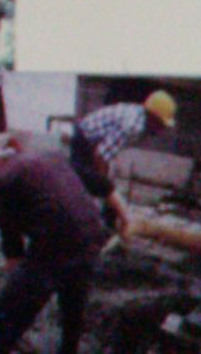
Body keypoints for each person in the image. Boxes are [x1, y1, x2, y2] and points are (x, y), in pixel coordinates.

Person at [0, 127, 110, 354]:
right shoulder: (50, 157)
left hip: (59, 241)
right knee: (73, 304)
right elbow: (93, 187)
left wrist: (16, 293)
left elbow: (13, 247)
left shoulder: (3, 182)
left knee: (4, 321)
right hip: (93, 233)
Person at [63, 87, 174, 244]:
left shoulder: (138, 115)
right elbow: (101, 155)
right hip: (83, 140)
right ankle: (95, 228)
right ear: (153, 118)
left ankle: (103, 227)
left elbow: (104, 152)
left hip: (90, 140)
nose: (162, 131)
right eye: (162, 125)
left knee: (102, 187)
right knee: (95, 186)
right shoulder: (132, 126)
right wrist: (104, 187)